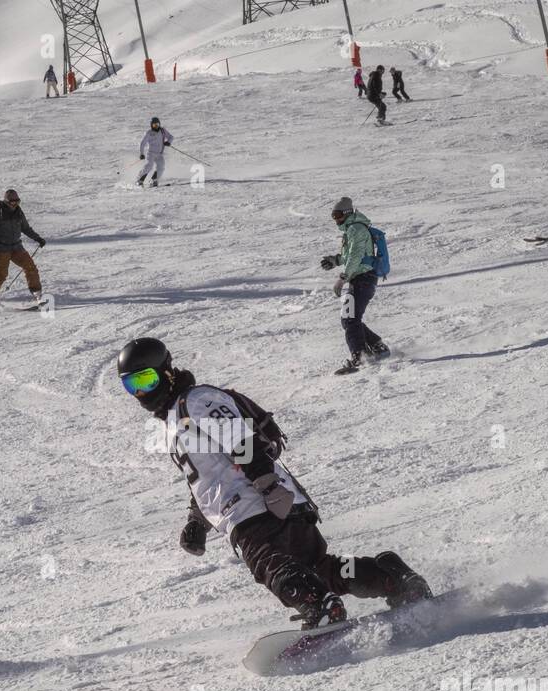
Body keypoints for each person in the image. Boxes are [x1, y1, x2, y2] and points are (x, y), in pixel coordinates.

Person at [116, 336, 433, 629]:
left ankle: (319, 606)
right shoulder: (175, 421)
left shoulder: (196, 400)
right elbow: (210, 477)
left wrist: (267, 484)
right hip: (274, 503)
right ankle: (390, 576)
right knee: (322, 569)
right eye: (132, 386)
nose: (142, 393)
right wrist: (196, 523)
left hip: (255, 507)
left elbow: (240, 439)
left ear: (167, 371)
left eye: (147, 379)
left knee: (271, 567)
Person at [320, 197, 388, 374]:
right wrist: (335, 260)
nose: (336, 220)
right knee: (348, 318)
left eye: (337, 215)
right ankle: (376, 346)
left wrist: (342, 278)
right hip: (361, 279)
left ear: (347, 213)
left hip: (363, 279)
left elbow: (356, 257)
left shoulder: (356, 229)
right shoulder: (353, 229)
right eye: (333, 216)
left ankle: (359, 357)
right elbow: (350, 256)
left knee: (350, 319)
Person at [0, 189, 46, 305]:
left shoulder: (18, 212)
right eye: (12, 202)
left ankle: (37, 293)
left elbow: (25, 228)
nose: (15, 204)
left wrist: (37, 238)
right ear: (6, 201)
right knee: (0, 273)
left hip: (16, 246)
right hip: (1, 248)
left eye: (17, 201)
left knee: (30, 267)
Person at [137, 116, 172, 188]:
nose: (156, 126)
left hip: (159, 154)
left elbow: (171, 137)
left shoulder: (162, 131)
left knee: (161, 167)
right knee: (149, 166)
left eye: (157, 125)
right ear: (151, 125)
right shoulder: (149, 133)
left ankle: (154, 180)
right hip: (151, 153)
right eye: (154, 125)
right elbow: (143, 143)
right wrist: (141, 153)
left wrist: (168, 142)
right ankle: (139, 180)